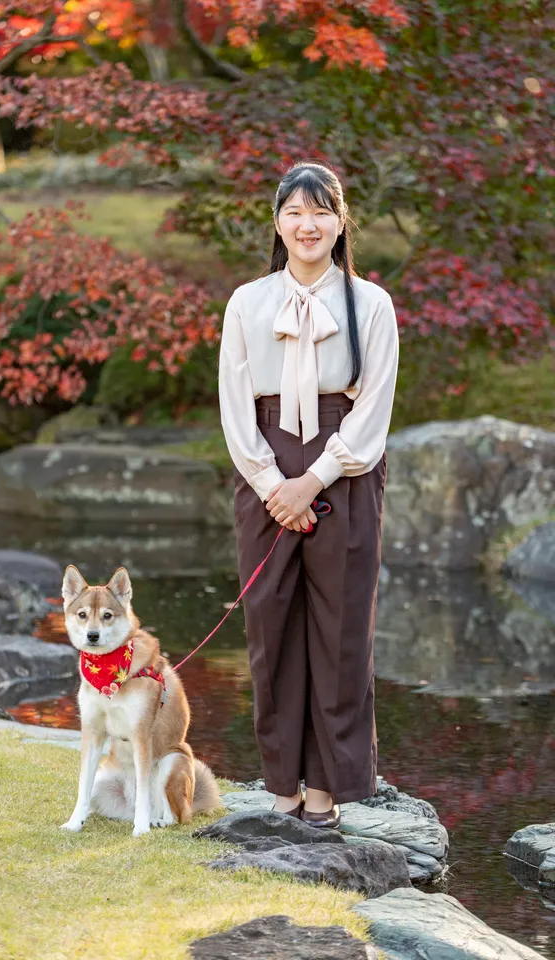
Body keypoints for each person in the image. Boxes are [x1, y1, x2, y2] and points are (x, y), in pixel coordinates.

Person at [218, 160, 399, 828]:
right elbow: (235, 404)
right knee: (269, 626)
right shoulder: (248, 302)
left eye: (321, 211)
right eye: (295, 212)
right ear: (277, 223)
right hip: (265, 467)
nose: (308, 224)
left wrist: (314, 480)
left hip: (344, 468)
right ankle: (281, 787)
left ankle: (326, 790)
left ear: (341, 222)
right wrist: (275, 486)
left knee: (341, 630)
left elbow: (373, 410)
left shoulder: (371, 304)